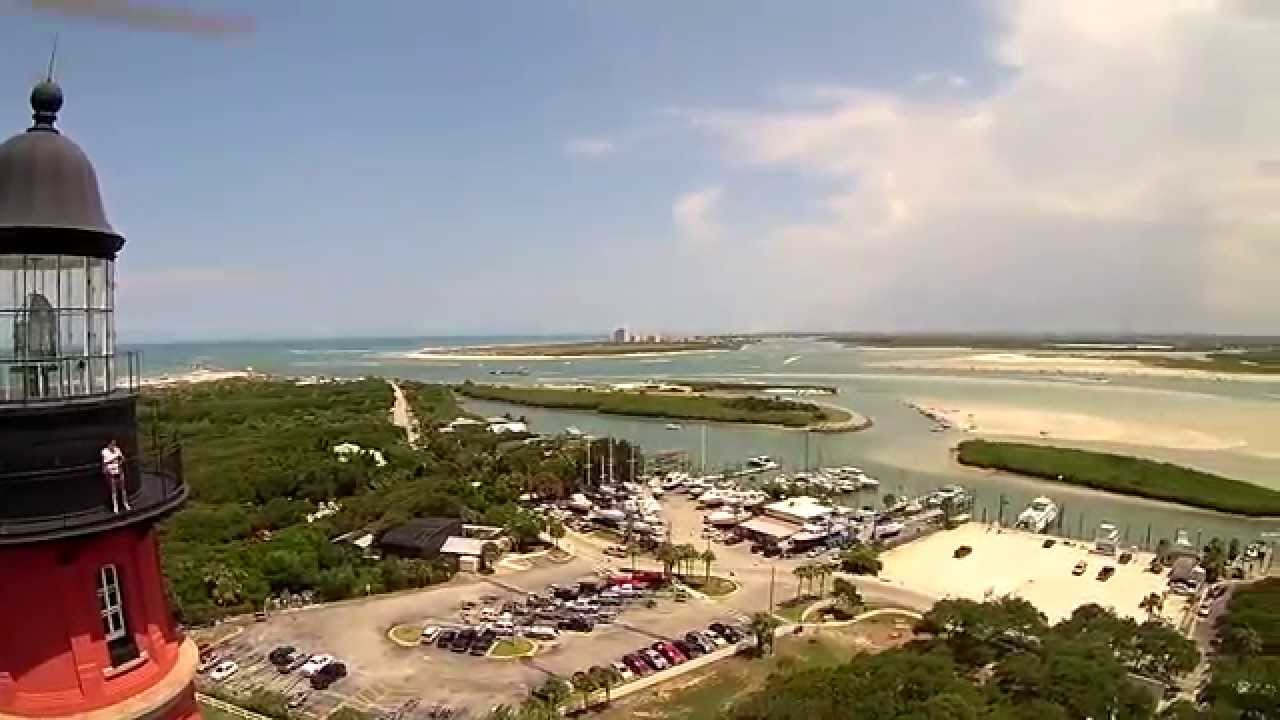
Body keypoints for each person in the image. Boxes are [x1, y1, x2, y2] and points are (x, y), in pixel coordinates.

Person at [101, 439, 129, 513]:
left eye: (115, 444)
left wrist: (120, 462)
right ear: (108, 445)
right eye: (112, 444)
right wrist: (112, 460)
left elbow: (123, 458)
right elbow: (104, 463)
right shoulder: (104, 451)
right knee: (114, 491)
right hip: (111, 473)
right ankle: (115, 507)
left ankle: (125, 504)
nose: (114, 446)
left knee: (123, 489)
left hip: (119, 471)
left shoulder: (117, 449)